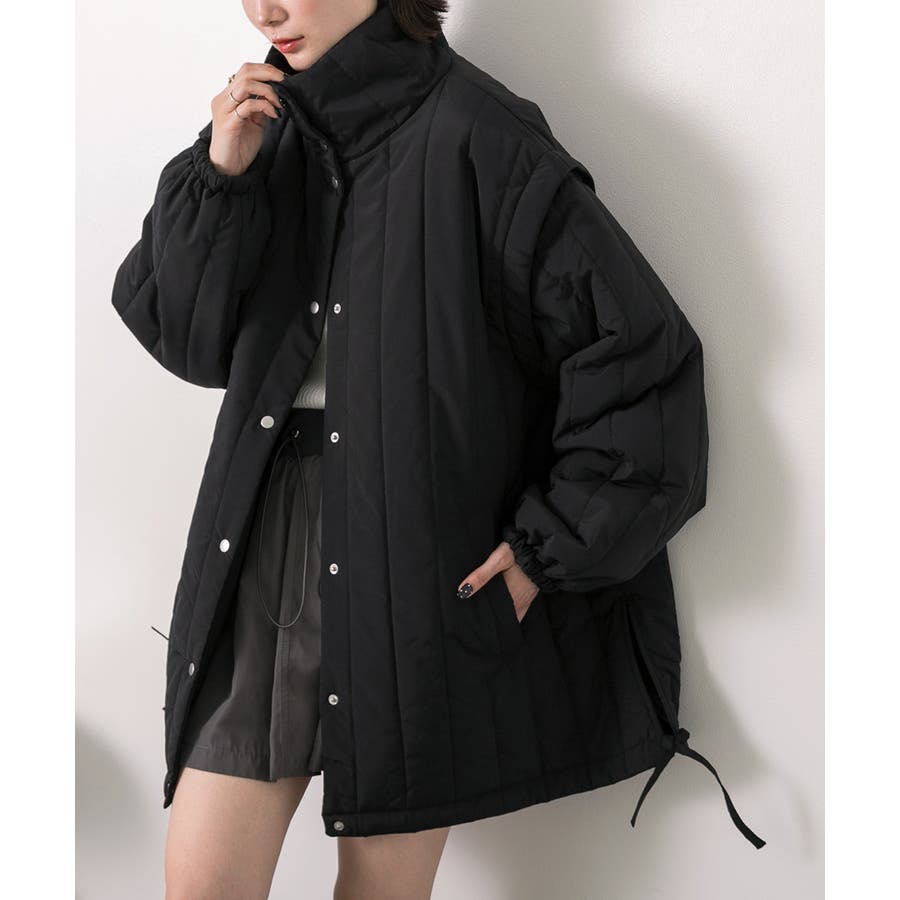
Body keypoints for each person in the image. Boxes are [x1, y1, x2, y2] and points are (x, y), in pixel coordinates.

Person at [112, 0, 765, 897]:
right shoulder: (260, 131)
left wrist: (541, 554)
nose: (267, 11)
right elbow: (184, 338)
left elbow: (642, 361)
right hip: (262, 535)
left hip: (413, 556)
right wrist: (223, 175)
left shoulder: (482, 136)